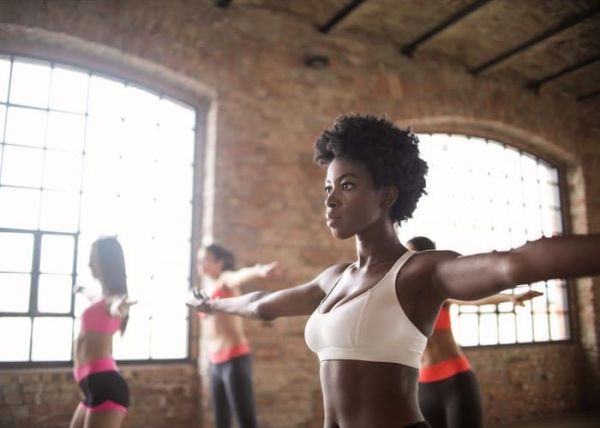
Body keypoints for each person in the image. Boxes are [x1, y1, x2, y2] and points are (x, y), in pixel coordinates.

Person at [189, 114, 600, 428]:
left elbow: (514, 265)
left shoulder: (420, 272)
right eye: (328, 188)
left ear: (386, 195)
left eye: (347, 185)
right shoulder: (334, 278)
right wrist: (212, 303)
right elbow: (263, 304)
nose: (331, 200)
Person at [406, 236, 542, 428]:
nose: (407, 259)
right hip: (423, 386)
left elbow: (474, 298)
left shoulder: (440, 293)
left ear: (424, 258)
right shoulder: (402, 299)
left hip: (455, 382)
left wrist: (508, 297)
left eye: (411, 254)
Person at [192, 243, 280, 428]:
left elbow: (238, 276)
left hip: (234, 360)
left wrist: (259, 270)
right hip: (214, 363)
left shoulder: (224, 280)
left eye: (205, 260)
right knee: (221, 422)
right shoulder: (204, 288)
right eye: (199, 260)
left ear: (219, 262)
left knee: (245, 421)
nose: (200, 264)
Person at [69, 236, 135, 428]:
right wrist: (80, 289)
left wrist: (120, 307)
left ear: (107, 262)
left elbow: (115, 306)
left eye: (93, 258)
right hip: (91, 386)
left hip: (106, 384)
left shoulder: (115, 300)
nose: (89, 264)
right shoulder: (101, 297)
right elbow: (94, 296)